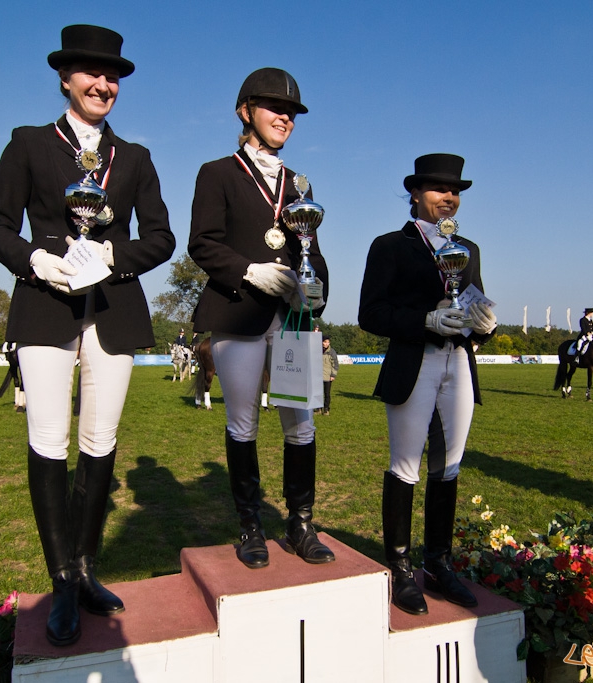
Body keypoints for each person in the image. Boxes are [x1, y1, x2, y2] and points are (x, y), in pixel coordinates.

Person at [0, 24, 174, 647]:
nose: (104, 84)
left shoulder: (137, 158)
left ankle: (86, 569)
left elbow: (161, 238)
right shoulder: (30, 143)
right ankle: (60, 578)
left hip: (113, 308)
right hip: (44, 306)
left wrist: (112, 259)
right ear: (65, 79)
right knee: (49, 439)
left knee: (100, 437)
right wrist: (39, 259)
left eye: (113, 75)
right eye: (91, 73)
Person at [189, 67, 334, 570]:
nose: (285, 117)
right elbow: (202, 242)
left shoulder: (299, 184)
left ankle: (300, 524)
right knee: (244, 422)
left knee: (302, 424)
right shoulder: (218, 172)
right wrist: (249, 270)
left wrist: (315, 293)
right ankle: (250, 526)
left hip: (292, 320)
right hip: (239, 311)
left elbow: (311, 249)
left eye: (291, 112)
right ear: (245, 111)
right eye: (275, 108)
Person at [359, 153, 497, 616]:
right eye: (439, 189)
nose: (449, 197)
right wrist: (425, 320)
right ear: (415, 193)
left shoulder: (469, 249)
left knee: (449, 465)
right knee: (406, 465)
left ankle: (438, 561)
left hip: (459, 363)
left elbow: (473, 307)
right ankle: (399, 566)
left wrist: (486, 326)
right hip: (414, 362)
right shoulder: (389, 246)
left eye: (455, 190)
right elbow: (370, 313)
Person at [321, 335, 338, 415]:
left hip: (328, 376)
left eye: (328, 342)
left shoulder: (332, 352)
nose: (326, 344)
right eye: (325, 342)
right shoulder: (317, 350)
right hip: (318, 376)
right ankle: (318, 409)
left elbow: (335, 364)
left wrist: (333, 375)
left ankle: (326, 409)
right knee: (318, 393)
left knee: (327, 394)